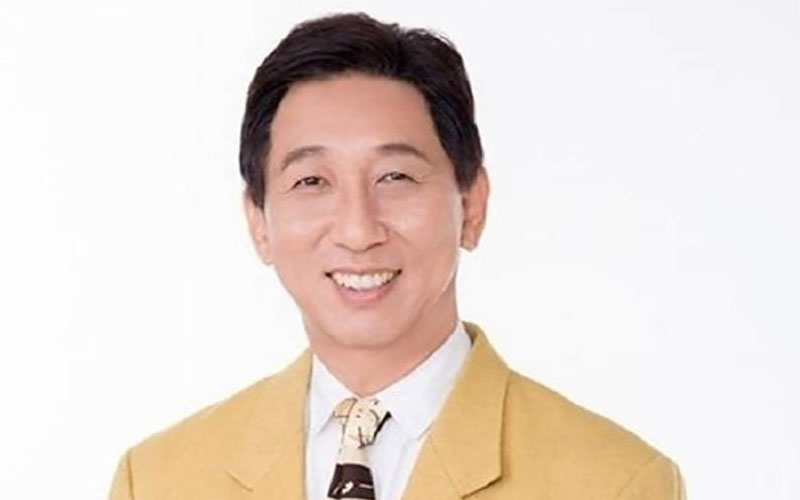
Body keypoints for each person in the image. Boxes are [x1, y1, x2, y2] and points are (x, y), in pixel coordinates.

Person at [108, 12, 685, 500]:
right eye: (312, 181)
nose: (358, 230)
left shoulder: (616, 482)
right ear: (258, 221)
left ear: (471, 204)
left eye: (395, 176)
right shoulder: (157, 480)